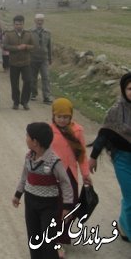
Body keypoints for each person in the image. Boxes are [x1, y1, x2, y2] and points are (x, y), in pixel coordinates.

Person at [12, 122, 74, 259]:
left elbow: (65, 184)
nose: (26, 138)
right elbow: (24, 177)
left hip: (49, 205)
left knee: (48, 238)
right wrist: (18, 194)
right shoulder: (29, 157)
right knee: (33, 236)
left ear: (35, 142)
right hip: (31, 201)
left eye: (28, 136)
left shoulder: (54, 161)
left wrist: (67, 206)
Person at [89, 72, 131, 242]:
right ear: (123, 90)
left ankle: (123, 223)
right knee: (130, 196)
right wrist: (93, 157)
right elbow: (104, 135)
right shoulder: (116, 111)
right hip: (122, 160)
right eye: (129, 88)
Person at [49, 98, 91, 255]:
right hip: (53, 175)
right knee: (53, 206)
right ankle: (53, 239)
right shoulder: (48, 130)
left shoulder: (77, 131)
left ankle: (61, 238)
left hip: (70, 174)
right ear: (53, 115)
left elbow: (81, 155)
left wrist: (86, 173)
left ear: (71, 116)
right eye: (59, 116)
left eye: (66, 117)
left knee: (69, 206)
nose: (62, 120)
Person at [3, 15, 34, 110]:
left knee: (28, 81)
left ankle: (25, 101)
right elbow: (5, 46)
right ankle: (16, 102)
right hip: (14, 63)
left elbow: (33, 46)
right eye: (16, 24)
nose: (18, 26)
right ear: (14, 24)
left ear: (23, 24)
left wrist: (26, 47)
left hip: (26, 62)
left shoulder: (29, 34)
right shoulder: (9, 34)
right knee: (14, 83)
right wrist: (16, 48)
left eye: (20, 24)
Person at [30, 14, 53, 104]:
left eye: (41, 20)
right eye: (38, 20)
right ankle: (33, 93)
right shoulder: (30, 32)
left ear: (43, 21)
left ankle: (46, 96)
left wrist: (50, 58)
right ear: (35, 21)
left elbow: (49, 46)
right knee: (32, 77)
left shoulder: (47, 32)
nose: (40, 22)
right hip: (33, 58)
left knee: (46, 77)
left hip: (44, 58)